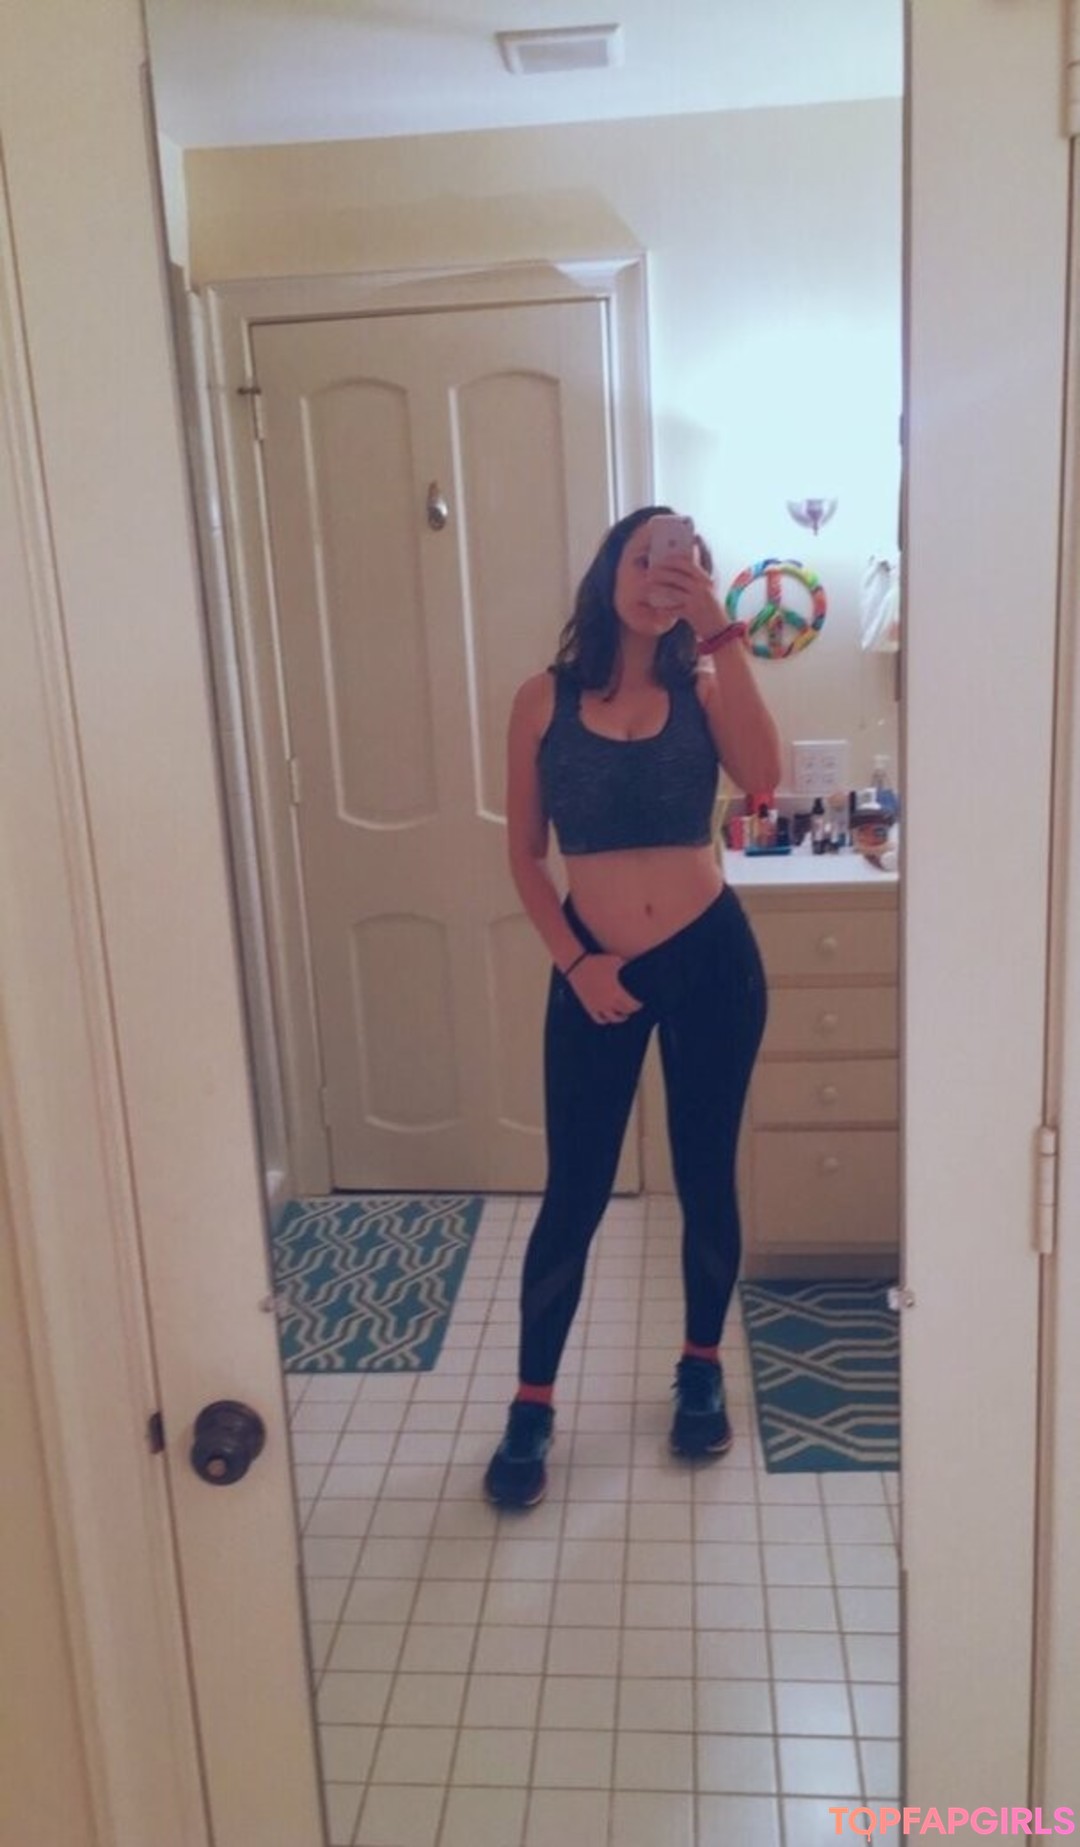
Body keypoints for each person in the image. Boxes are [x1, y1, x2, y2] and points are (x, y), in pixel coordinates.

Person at [483, 505, 782, 1510]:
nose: (661, 575)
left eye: (682, 562)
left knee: (705, 1174)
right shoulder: (542, 699)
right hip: (595, 970)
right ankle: (532, 1402)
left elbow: (765, 779)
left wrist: (720, 626)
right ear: (611, 567)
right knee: (574, 1189)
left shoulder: (705, 684)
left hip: (712, 962)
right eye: (646, 555)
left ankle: (700, 1365)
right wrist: (576, 962)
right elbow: (524, 854)